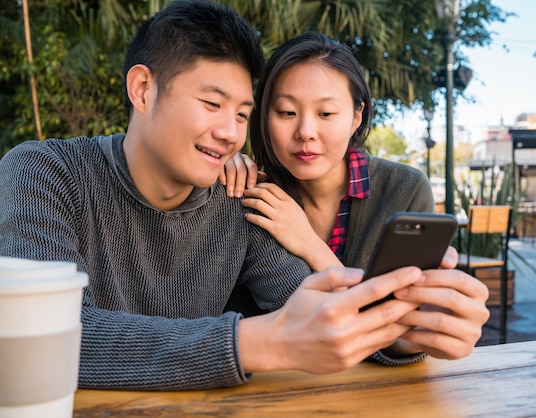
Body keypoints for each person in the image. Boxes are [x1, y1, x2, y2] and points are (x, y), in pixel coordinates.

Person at [0, 1, 479, 391]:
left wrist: (410, 326)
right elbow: (41, 337)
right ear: (143, 89)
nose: (230, 133)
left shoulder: (238, 200)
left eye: (244, 113)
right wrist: (255, 344)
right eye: (212, 104)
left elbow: (317, 314)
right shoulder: (45, 175)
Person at [230, 31, 490, 354]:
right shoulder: (251, 192)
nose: (305, 132)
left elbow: (404, 322)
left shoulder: (405, 191)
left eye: (326, 114)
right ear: (264, 116)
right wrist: (222, 160)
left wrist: (309, 244)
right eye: (286, 112)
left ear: (357, 116)